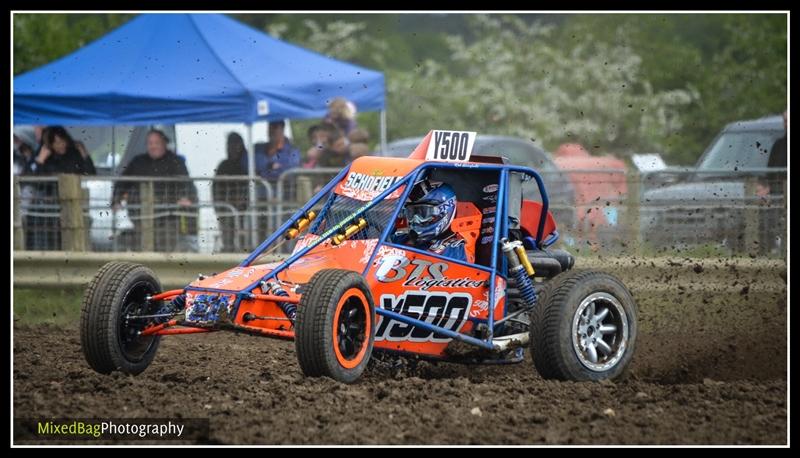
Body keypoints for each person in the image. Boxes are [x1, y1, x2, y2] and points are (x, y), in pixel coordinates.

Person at [112, 129, 198, 252]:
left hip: (168, 217)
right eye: (150, 143)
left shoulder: (175, 161)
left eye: (156, 143)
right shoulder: (138, 162)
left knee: (166, 251)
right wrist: (116, 200)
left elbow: (186, 183)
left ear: (164, 143)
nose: (153, 146)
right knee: (141, 250)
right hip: (141, 216)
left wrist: (187, 198)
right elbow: (122, 182)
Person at [23, 126, 96, 250]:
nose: (61, 145)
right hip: (46, 208)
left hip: (70, 204)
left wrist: (84, 155)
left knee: (70, 237)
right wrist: (40, 160)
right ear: (50, 144)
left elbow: (91, 173)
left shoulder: (73, 154)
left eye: (63, 141)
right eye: (56, 143)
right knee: (45, 239)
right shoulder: (44, 156)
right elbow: (27, 178)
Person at [392, 180, 472, 263]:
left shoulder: (458, 251)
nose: (416, 219)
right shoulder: (401, 238)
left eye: (423, 213)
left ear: (445, 209)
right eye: (411, 212)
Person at [213, 133, 248, 252]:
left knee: (246, 234)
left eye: (236, 145)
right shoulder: (224, 166)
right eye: (231, 145)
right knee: (228, 234)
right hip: (226, 209)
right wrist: (220, 206)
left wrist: (243, 200)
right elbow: (216, 189)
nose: (233, 148)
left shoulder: (247, 164)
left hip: (245, 208)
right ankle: (228, 250)